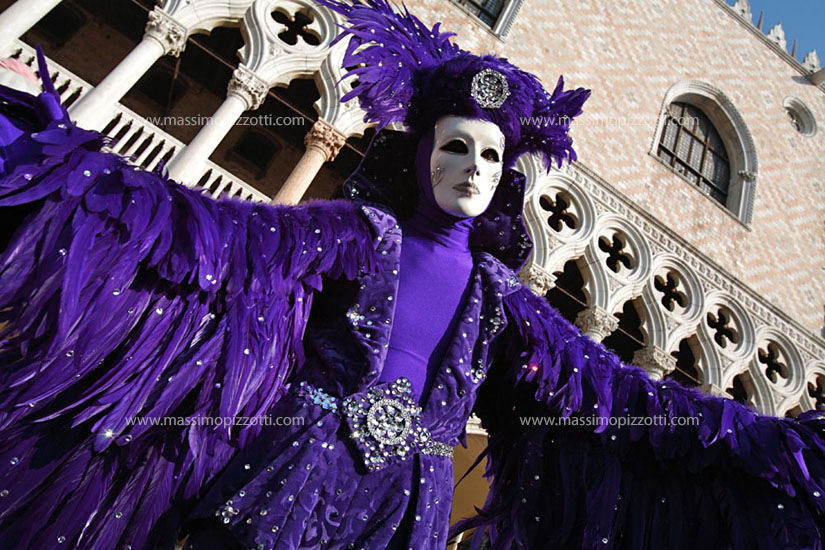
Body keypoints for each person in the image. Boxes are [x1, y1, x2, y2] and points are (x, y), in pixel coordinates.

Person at [0, 1, 824, 549]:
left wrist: (773, 446)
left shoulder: (506, 304)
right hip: (294, 468)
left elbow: (623, 398)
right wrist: (55, 170)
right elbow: (211, 243)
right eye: (456, 146)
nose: (473, 167)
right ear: (422, 152)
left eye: (491, 156)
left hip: (406, 507)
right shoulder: (357, 233)